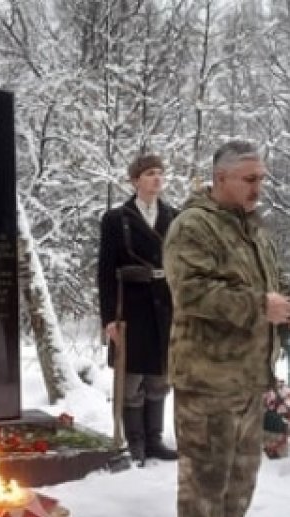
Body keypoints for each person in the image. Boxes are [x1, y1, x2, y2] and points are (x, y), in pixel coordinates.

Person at [163, 140, 290, 517]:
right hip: (207, 379)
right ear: (220, 178)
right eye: (249, 179)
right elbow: (192, 292)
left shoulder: (254, 230)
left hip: (248, 377)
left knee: (240, 477)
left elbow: (278, 279)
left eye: (261, 178)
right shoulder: (193, 227)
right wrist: (258, 307)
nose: (258, 187)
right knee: (206, 479)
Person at [97, 153, 178, 464]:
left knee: (160, 376)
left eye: (160, 172)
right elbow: (105, 272)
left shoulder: (174, 215)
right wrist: (109, 319)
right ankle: (135, 442)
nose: (156, 179)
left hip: (166, 305)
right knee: (131, 379)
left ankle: (154, 439)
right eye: (149, 174)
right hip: (131, 306)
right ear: (134, 180)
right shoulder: (117, 219)